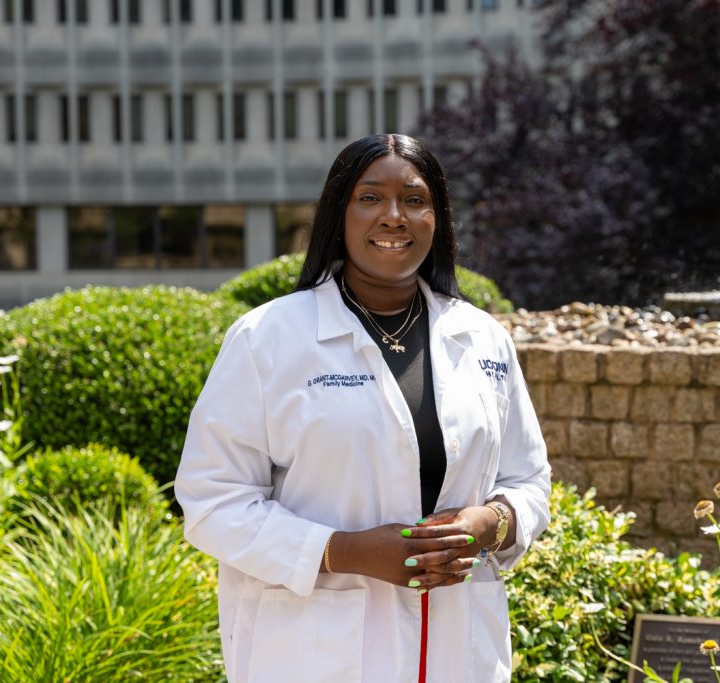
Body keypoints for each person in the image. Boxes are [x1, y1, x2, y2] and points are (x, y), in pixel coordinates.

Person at [175, 134, 550, 683]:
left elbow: (528, 478)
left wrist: (492, 522)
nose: (394, 216)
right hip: (315, 651)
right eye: (370, 197)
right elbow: (212, 502)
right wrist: (342, 551)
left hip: (458, 645)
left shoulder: (482, 338)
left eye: (415, 200)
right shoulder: (269, 338)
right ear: (339, 215)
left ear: (438, 219)